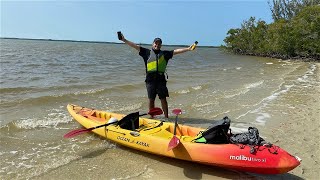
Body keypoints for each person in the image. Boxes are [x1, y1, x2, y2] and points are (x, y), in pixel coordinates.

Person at [118, 32, 196, 118]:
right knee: (151, 99)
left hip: (161, 80)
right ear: (153, 44)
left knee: (163, 99)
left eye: (159, 44)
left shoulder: (165, 54)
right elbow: (134, 46)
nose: (157, 45)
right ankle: (152, 117)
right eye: (156, 43)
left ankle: (166, 117)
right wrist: (124, 40)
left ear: (161, 45)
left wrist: (188, 49)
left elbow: (176, 51)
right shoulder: (146, 52)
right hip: (150, 80)